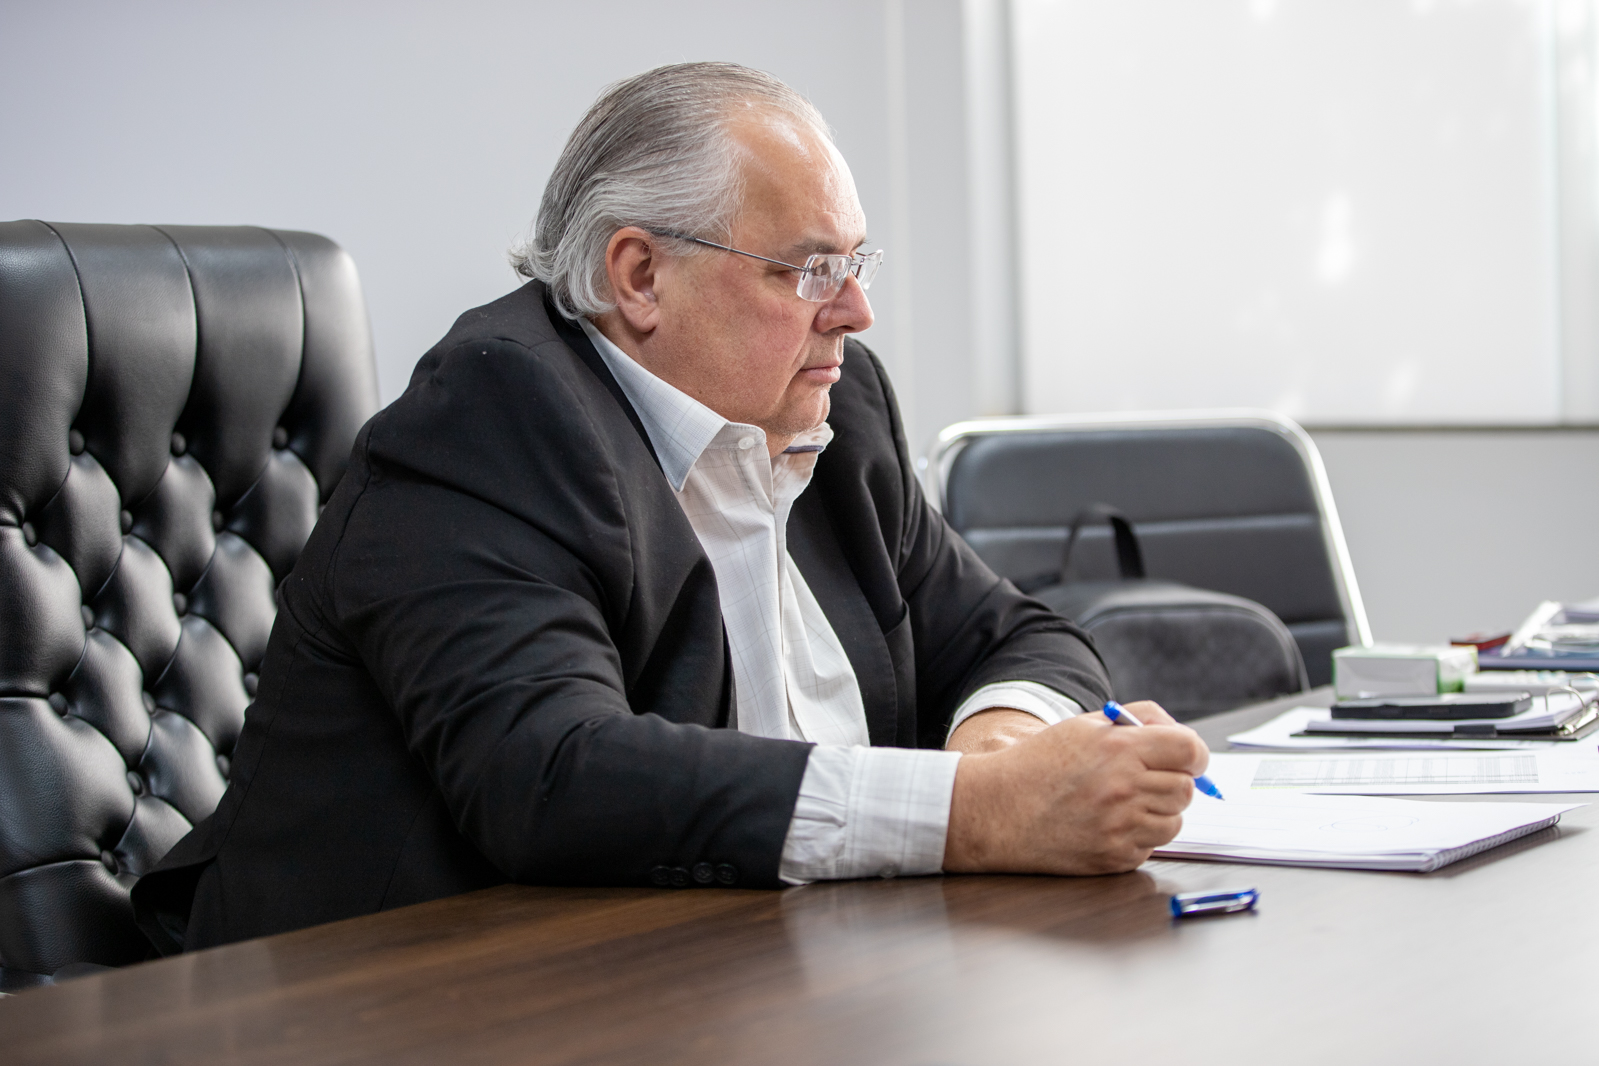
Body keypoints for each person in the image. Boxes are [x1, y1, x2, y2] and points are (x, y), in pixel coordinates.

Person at [132, 61, 1209, 952]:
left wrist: (1001, 749)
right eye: (810, 269)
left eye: (856, 262)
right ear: (640, 276)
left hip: (741, 973)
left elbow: (1018, 634)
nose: (856, 310)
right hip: (380, 997)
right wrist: (978, 814)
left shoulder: (832, 408)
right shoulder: (494, 415)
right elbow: (552, 773)